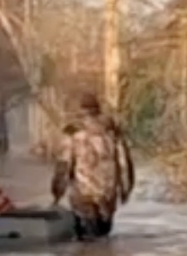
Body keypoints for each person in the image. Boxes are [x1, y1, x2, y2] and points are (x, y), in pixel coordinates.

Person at [51, 92, 134, 240]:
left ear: (80, 109)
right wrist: (125, 189)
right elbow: (124, 163)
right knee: (103, 236)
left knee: (87, 241)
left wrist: (57, 192)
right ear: (98, 108)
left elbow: (64, 164)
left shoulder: (73, 131)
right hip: (108, 193)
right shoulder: (112, 130)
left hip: (83, 193)